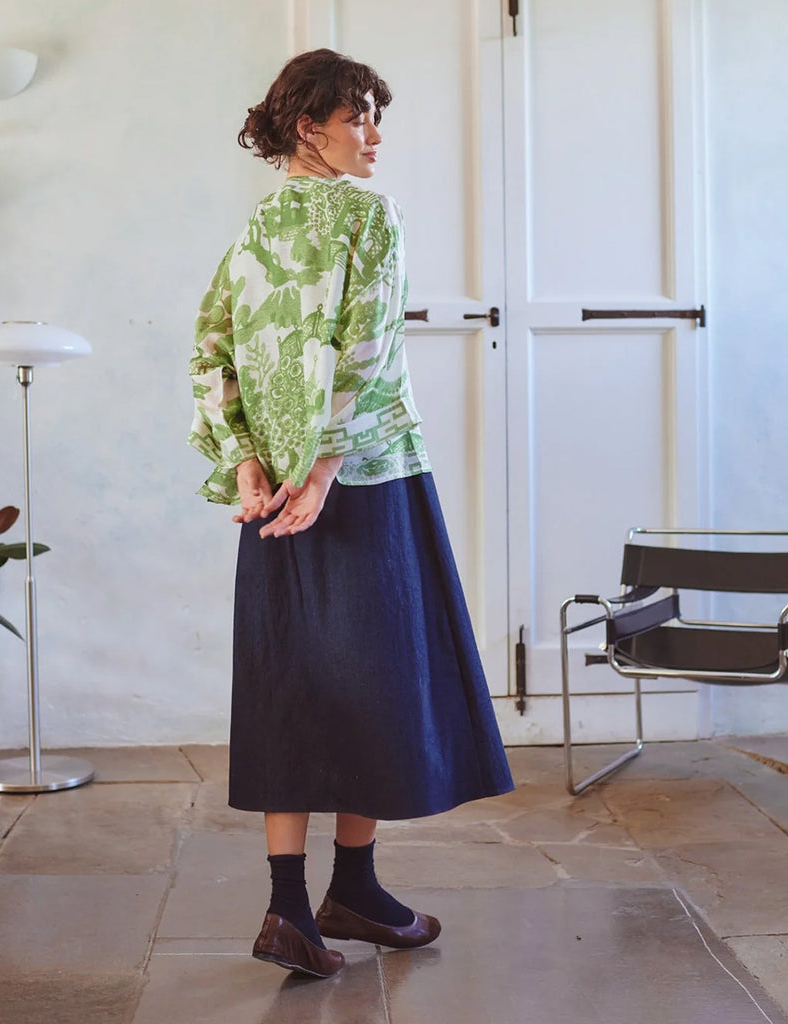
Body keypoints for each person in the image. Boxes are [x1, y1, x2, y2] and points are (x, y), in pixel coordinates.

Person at [189, 48, 514, 979]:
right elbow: (365, 349)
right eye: (360, 118)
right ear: (309, 127)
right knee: (377, 685)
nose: (375, 137)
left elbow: (208, 351)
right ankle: (354, 886)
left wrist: (246, 466)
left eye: (376, 117)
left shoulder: (254, 229)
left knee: (290, 685)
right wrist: (325, 471)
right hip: (360, 480)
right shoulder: (368, 215)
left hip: (273, 498)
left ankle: (298, 906)